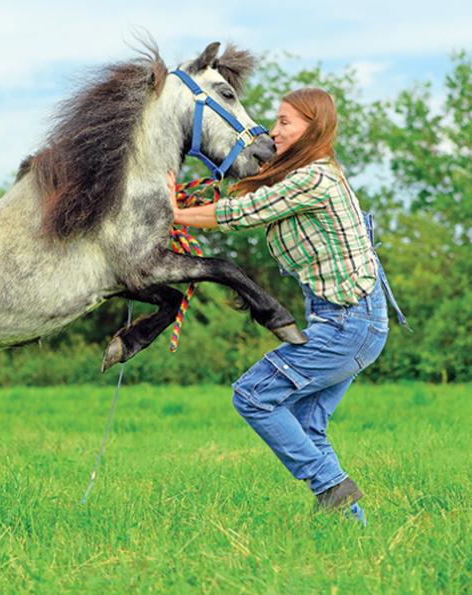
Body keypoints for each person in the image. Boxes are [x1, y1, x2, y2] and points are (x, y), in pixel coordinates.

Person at [168, 88, 403, 525]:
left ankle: (332, 487)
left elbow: (243, 213)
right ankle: (353, 528)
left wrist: (172, 212)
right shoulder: (304, 176)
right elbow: (246, 198)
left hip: (350, 324)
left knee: (253, 395)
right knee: (308, 424)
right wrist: (191, 199)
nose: (273, 132)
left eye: (284, 122)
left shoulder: (315, 178)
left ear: (312, 128)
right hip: (349, 322)